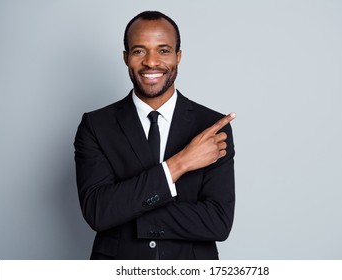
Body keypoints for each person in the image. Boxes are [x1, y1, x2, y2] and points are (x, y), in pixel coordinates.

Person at [74, 10, 236, 260]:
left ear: (178, 56)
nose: (151, 62)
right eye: (139, 51)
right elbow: (98, 212)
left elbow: (218, 222)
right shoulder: (96, 125)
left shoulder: (212, 127)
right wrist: (180, 163)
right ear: (126, 58)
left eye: (163, 50)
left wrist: (127, 210)